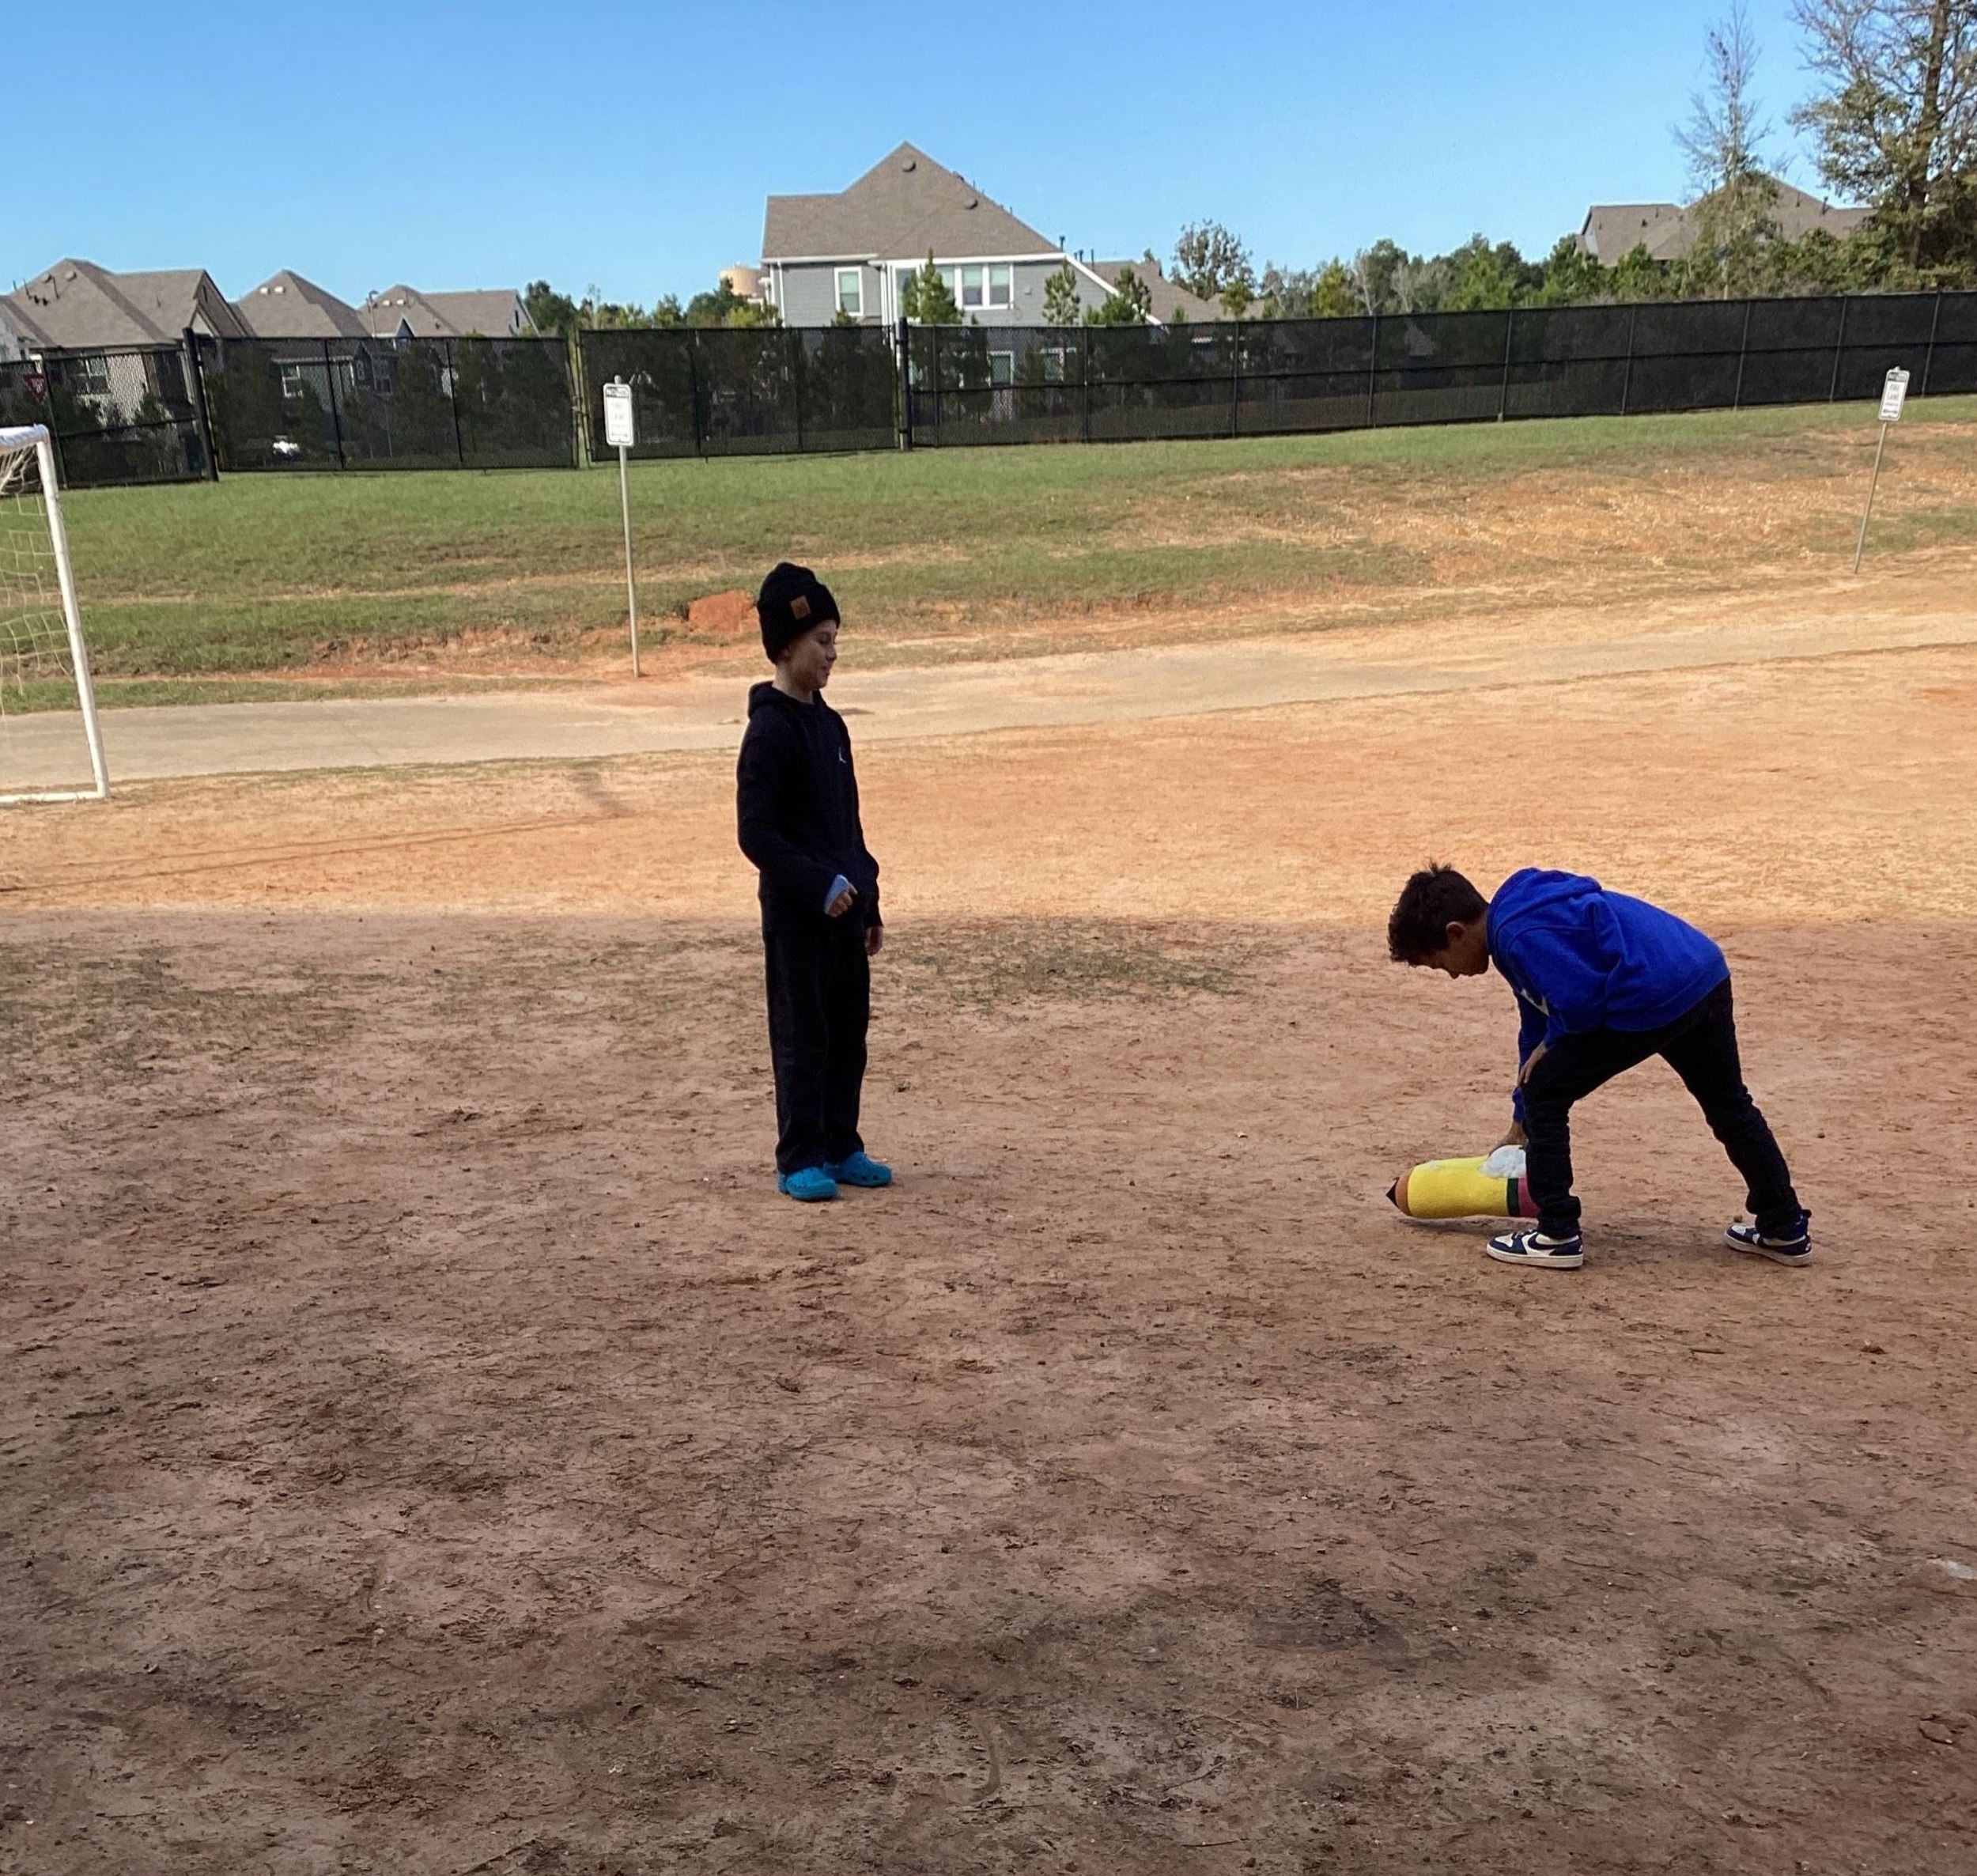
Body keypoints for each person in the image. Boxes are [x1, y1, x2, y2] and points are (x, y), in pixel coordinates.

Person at [1386, 864, 1809, 1272]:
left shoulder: (1515, 937)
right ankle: (1783, 1226)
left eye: (1440, 963)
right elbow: (1536, 1024)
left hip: (1650, 993)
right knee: (1730, 1106)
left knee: (1546, 1090)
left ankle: (1556, 1233)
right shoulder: (1515, 916)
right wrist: (1520, 1121)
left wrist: (1546, 1065)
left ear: (1455, 933)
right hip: (1701, 972)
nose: (1452, 976)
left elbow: (1580, 1006)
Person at [736, 562, 890, 1203]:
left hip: (845, 918)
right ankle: (799, 1154)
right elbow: (757, 833)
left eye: (835, 641)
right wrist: (817, 884)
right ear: (785, 646)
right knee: (804, 1038)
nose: (832, 654)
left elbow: (849, 825)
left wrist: (868, 900)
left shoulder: (832, 727)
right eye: (821, 641)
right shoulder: (769, 731)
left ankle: (840, 1142)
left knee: (847, 1035)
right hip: (799, 919)